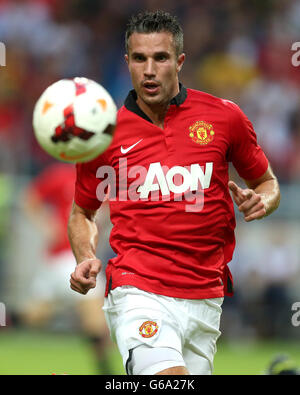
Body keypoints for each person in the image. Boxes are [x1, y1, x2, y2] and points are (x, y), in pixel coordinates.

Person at [68, 10, 280, 375]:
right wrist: (84, 255)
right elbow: (82, 212)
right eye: (140, 58)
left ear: (179, 61)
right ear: (128, 62)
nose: (149, 69)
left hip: (206, 295)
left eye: (160, 58)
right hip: (138, 290)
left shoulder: (224, 118)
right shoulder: (104, 135)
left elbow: (268, 182)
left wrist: (263, 199)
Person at [21, 162, 113, 375]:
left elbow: (108, 213)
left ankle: (10, 318)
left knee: (35, 315)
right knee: (94, 320)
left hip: (74, 258)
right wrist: (46, 225)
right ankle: (107, 374)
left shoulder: (106, 180)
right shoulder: (61, 175)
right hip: (64, 257)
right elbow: (30, 198)